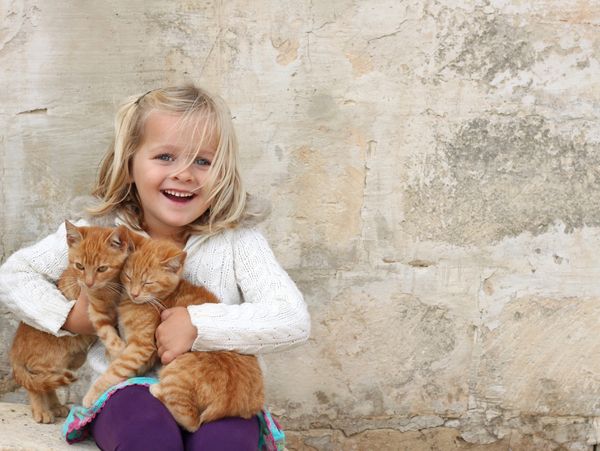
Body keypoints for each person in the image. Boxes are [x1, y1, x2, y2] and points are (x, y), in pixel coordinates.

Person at [0, 84, 311, 450]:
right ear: (130, 162)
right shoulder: (101, 233)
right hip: (126, 390)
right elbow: (13, 276)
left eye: (203, 161)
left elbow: (291, 317)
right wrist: (69, 316)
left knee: (227, 442)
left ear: (223, 172)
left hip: (211, 387)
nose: (184, 174)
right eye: (165, 157)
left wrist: (199, 325)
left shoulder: (237, 240)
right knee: (146, 436)